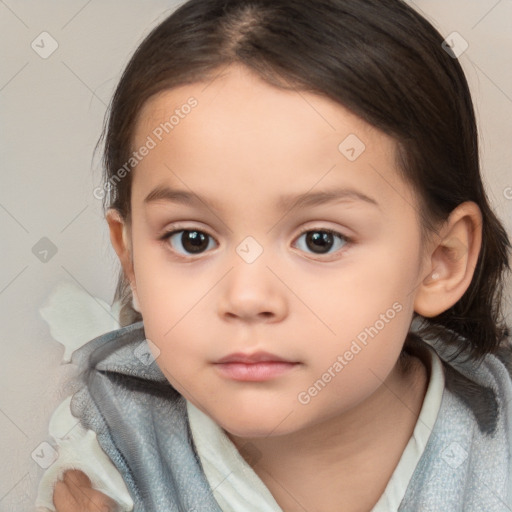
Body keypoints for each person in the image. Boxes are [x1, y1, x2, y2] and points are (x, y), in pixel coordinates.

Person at [35, 0, 512, 510]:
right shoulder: (106, 459)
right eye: (192, 239)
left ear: (441, 260)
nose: (246, 297)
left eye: (320, 240)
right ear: (130, 258)